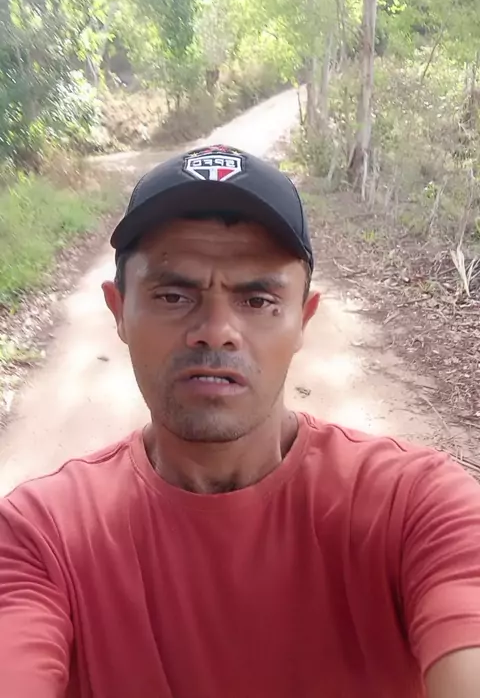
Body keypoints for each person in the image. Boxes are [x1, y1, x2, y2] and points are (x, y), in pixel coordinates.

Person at [0, 144, 479, 698]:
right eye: (173, 295)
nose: (216, 330)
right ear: (119, 311)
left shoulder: (416, 508)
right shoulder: (42, 539)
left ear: (303, 321)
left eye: (257, 301)